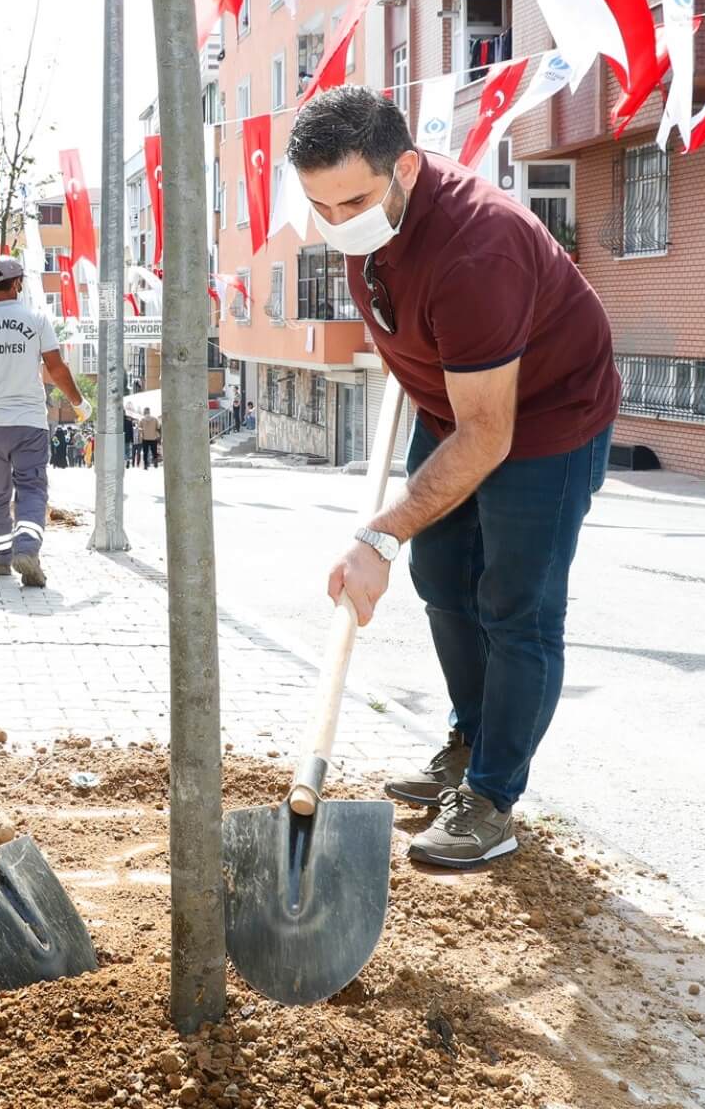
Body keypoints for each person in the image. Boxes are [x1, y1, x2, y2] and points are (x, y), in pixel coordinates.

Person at [291, 86, 620, 870]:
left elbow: (490, 432)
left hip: (544, 423)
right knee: (443, 579)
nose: (339, 223)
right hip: (454, 410)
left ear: (406, 165)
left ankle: (492, 798)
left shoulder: (480, 248)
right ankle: (468, 741)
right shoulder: (366, 214)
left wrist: (378, 534)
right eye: (320, 207)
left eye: (354, 201)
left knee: (517, 609)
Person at [0, 256, 87, 587]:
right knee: (31, 487)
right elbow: (56, 368)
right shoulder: (37, 320)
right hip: (29, 423)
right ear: (17, 284)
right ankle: (26, 548)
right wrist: (78, 402)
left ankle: (0, 559)